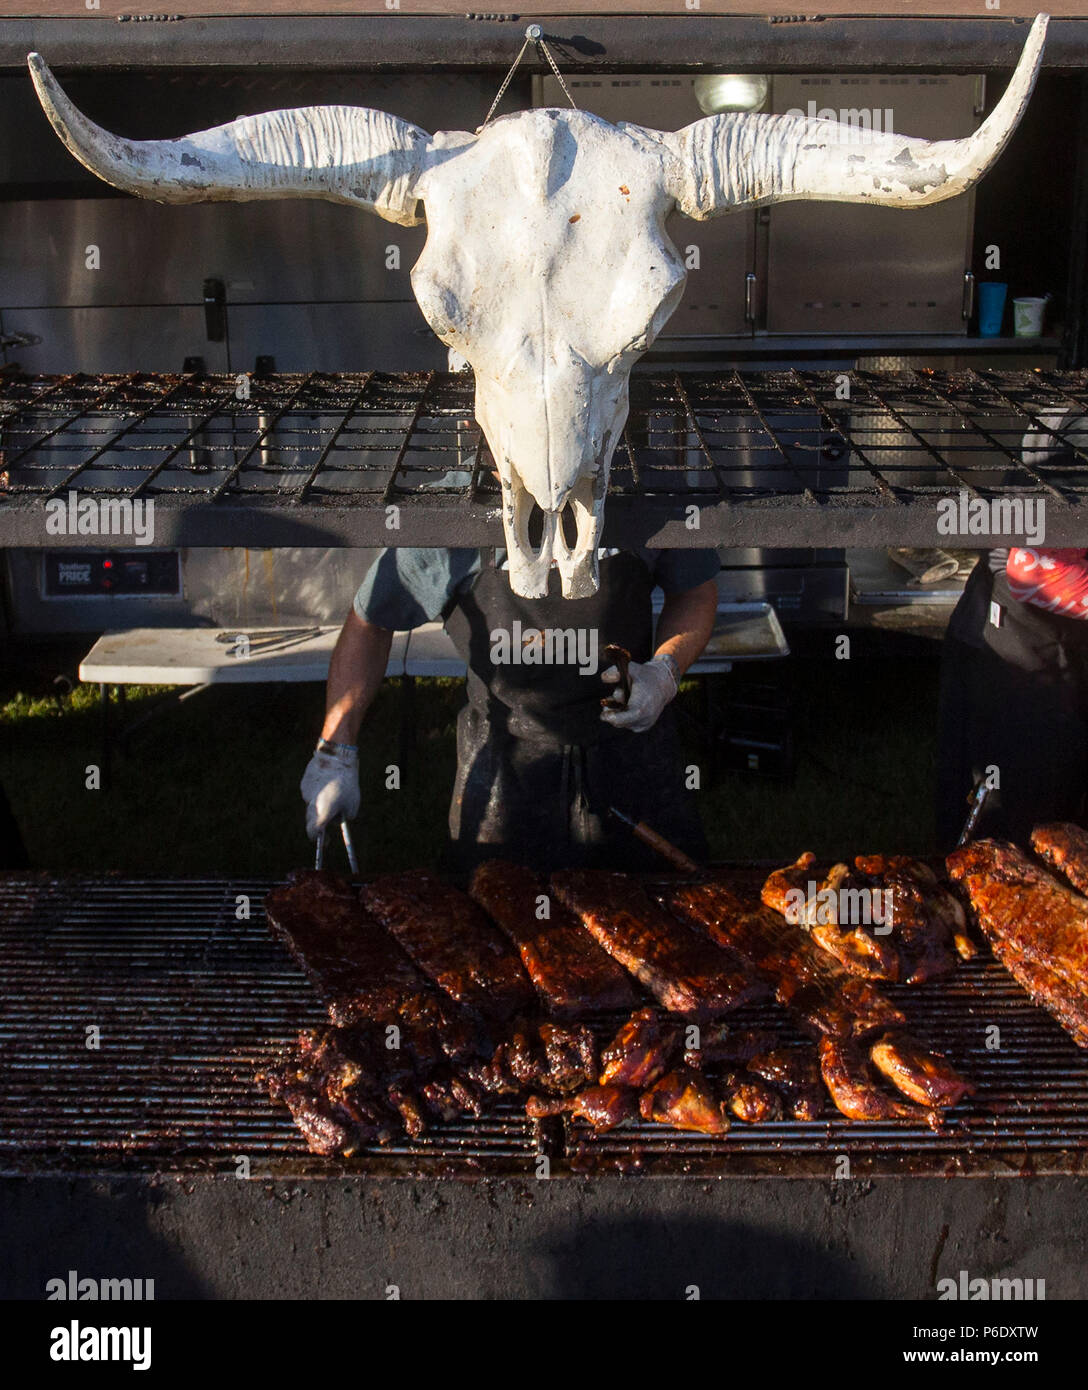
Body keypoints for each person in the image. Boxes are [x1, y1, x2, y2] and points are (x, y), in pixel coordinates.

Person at [301, 545, 720, 872]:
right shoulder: (453, 515)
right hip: (504, 769)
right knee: (497, 925)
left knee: (664, 915)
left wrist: (665, 672)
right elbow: (371, 620)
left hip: (632, 761)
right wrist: (335, 752)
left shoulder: (638, 495)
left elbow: (695, 592)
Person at [936, 413, 1088, 848]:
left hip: (1060, 643)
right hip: (1018, 648)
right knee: (1007, 827)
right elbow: (1033, 567)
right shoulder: (1072, 433)